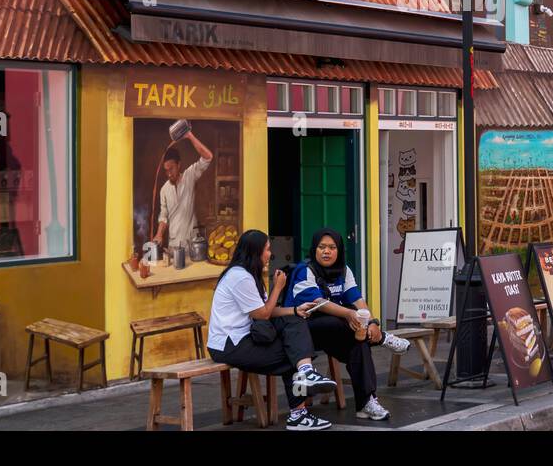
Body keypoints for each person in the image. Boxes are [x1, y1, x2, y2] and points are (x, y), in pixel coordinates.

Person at [207, 229, 338, 430]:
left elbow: (267, 310)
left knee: (294, 321)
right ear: (255, 252)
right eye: (267, 250)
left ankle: (305, 374)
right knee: (291, 353)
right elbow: (263, 314)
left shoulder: (249, 275)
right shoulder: (240, 277)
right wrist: (278, 287)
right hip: (229, 345)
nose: (270, 254)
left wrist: (295, 309)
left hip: (245, 338)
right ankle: (299, 410)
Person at [285, 229, 410, 421]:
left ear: (339, 250)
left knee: (359, 345)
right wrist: (350, 314)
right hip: (303, 332)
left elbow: (357, 299)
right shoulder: (305, 270)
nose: (326, 251)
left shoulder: (344, 270)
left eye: (332, 247)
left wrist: (372, 323)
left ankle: (367, 402)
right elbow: (318, 302)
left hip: (334, 332)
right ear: (314, 249)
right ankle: (383, 339)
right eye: (322, 247)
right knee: (340, 320)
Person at [152, 130, 212, 250]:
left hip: (192, 244)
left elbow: (208, 157)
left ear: (179, 165)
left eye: (171, 169)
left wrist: (190, 136)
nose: (169, 174)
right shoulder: (164, 189)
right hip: (174, 245)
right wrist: (159, 234)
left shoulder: (189, 176)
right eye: (166, 170)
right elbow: (164, 215)